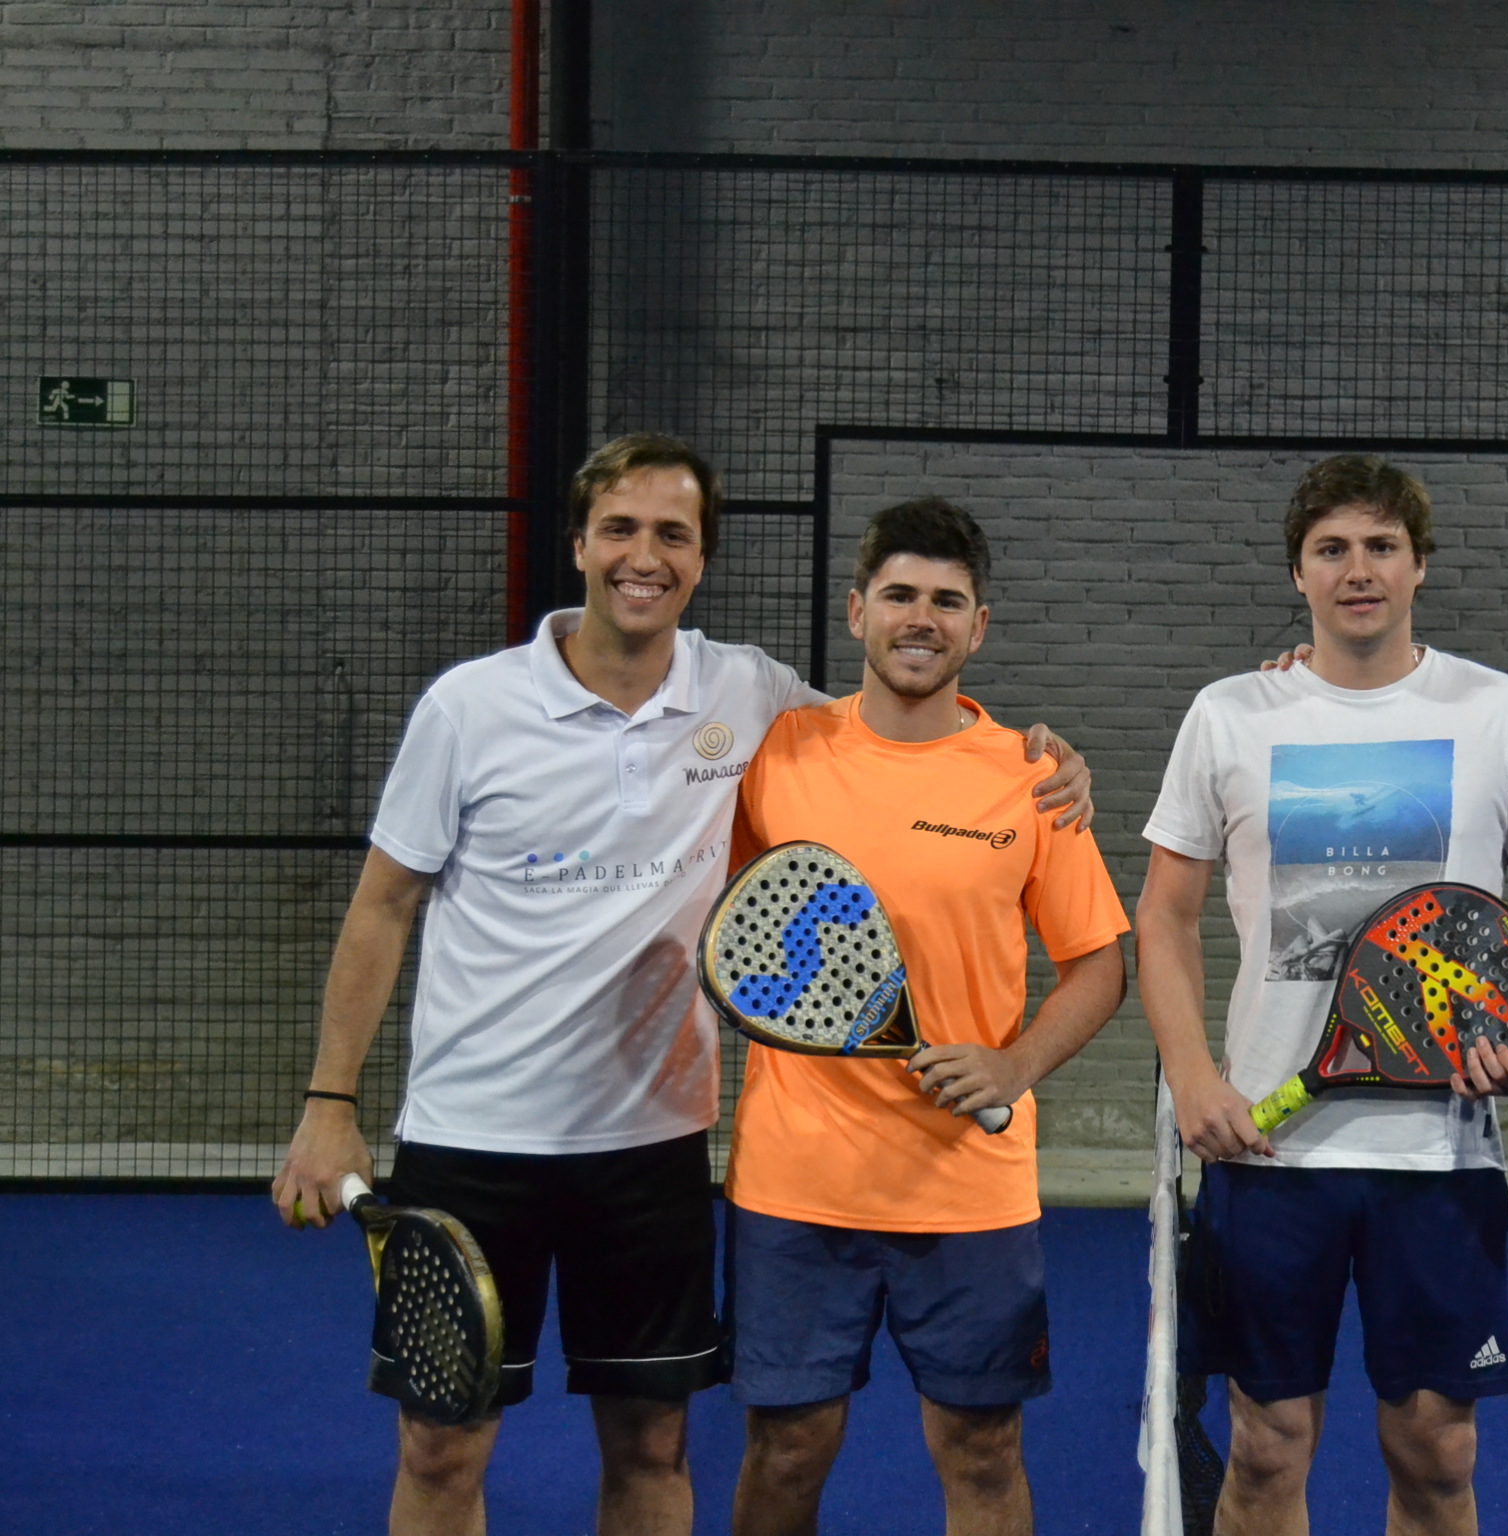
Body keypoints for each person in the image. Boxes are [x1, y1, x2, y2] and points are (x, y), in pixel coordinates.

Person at [269, 438, 1092, 1536]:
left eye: (673, 534)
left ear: (702, 559)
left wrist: (1038, 754)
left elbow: (898, 727)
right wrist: (329, 1104)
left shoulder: (748, 694)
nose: (643, 556)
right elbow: (380, 908)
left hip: (651, 1146)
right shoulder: (468, 708)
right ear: (579, 544)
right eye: (620, 528)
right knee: (439, 1443)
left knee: (652, 1446)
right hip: (471, 1140)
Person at [1135, 454, 1508, 1536]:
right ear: (1298, 572)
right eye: (1331, 549)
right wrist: (1193, 1075)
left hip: (1441, 1158)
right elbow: (1162, 915)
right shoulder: (1230, 714)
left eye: (1382, 546)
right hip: (1266, 1152)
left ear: (1419, 565)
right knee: (1264, 1448)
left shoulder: (1498, 713)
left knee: (1436, 1455)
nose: (1358, 570)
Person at [722, 496, 1129, 1536]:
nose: (921, 619)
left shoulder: (1033, 778)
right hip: (797, 1180)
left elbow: (1098, 967)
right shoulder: (779, 753)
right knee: (786, 1449)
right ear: (857, 610)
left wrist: (1014, 1067)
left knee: (982, 1452)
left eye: (947, 602)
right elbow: (732, 920)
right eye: (900, 595)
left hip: (969, 1188)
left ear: (978, 627)